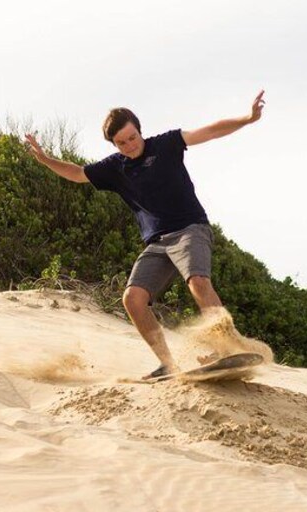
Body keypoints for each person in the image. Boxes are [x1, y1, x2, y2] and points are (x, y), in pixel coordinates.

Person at [25, 91, 266, 380]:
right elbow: (78, 174)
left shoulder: (166, 144)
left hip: (190, 228)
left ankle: (228, 348)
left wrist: (248, 118)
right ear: (113, 144)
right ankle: (168, 363)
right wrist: (44, 160)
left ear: (140, 130)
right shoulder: (115, 167)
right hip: (157, 243)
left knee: (198, 281)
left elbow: (211, 132)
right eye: (121, 142)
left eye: (132, 137)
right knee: (132, 299)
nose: (128, 145)